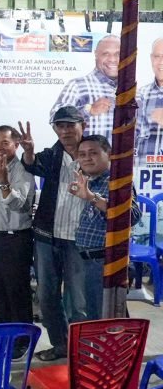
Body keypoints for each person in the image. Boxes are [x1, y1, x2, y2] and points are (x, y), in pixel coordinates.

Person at [19, 106, 88, 361]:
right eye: (60, 126)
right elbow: (32, 165)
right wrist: (27, 151)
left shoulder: (94, 154)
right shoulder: (52, 154)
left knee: (78, 301)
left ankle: (79, 351)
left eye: (70, 125)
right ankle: (60, 345)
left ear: (83, 125)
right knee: (46, 295)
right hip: (48, 237)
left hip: (80, 241)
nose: (66, 130)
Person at [69, 135, 140, 320]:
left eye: (93, 153)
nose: (86, 158)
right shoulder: (90, 181)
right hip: (88, 261)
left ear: (109, 154)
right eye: (82, 154)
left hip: (105, 261)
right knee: (96, 317)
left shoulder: (116, 182)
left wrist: (92, 198)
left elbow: (131, 216)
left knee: (107, 320)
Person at [0, 126, 35, 330]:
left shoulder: (24, 171)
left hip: (13, 240)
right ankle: (1, 332)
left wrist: (4, 181)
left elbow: (18, 204)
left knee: (16, 291)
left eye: (5, 142)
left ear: (16, 145)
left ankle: (21, 338)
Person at [50, 34, 120, 141]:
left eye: (118, 54)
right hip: (87, 157)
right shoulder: (77, 85)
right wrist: (88, 110)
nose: (112, 59)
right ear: (96, 54)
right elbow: (55, 117)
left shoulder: (132, 91)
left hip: (124, 157)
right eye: (106, 54)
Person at [135, 37, 163, 163]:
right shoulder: (141, 95)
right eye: (157, 56)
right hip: (145, 176)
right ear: (151, 59)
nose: (161, 62)